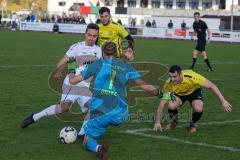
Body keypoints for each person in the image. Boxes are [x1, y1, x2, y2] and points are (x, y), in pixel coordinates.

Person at [69, 41, 162, 160]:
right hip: (120, 114)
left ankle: (98, 149)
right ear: (117, 52)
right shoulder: (127, 67)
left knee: (87, 140)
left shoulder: (97, 64)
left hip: (101, 112)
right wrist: (161, 94)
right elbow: (145, 87)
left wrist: (71, 68)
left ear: (102, 52)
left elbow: (73, 81)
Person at [20, 24, 102, 136]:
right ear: (85, 34)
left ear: (97, 37)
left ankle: (82, 134)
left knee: (94, 107)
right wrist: (59, 71)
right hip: (71, 84)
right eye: (89, 35)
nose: (91, 38)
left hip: (84, 87)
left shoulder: (99, 50)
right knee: (64, 108)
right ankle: (35, 117)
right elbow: (63, 61)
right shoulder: (76, 47)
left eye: (94, 36)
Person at [153, 65, 232, 133]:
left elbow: (211, 86)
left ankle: (193, 123)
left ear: (180, 74)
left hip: (194, 92)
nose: (172, 79)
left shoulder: (192, 76)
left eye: (174, 76)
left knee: (198, 109)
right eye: (170, 76)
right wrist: (157, 122)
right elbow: (162, 103)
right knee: (170, 105)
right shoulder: (169, 83)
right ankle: (174, 122)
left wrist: (223, 101)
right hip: (179, 94)